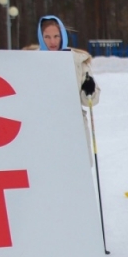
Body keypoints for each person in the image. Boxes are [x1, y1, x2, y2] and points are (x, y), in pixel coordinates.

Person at [38, 15, 100, 167]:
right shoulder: (33, 61)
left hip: (73, 124)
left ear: (63, 36)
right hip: (44, 126)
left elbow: (90, 101)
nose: (52, 42)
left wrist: (88, 89)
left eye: (56, 36)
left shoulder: (77, 61)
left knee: (76, 168)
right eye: (47, 37)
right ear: (41, 37)